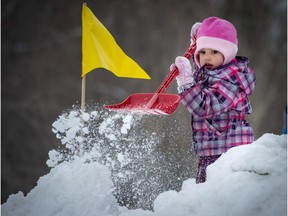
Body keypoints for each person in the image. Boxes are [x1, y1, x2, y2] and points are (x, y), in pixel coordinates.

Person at [172, 17, 256, 183]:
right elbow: (204, 80)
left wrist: (185, 82)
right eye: (202, 52)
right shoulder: (212, 72)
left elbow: (205, 106)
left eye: (214, 52)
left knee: (214, 196)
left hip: (229, 151)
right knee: (203, 196)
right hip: (213, 149)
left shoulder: (232, 80)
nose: (207, 57)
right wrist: (197, 42)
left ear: (228, 53)